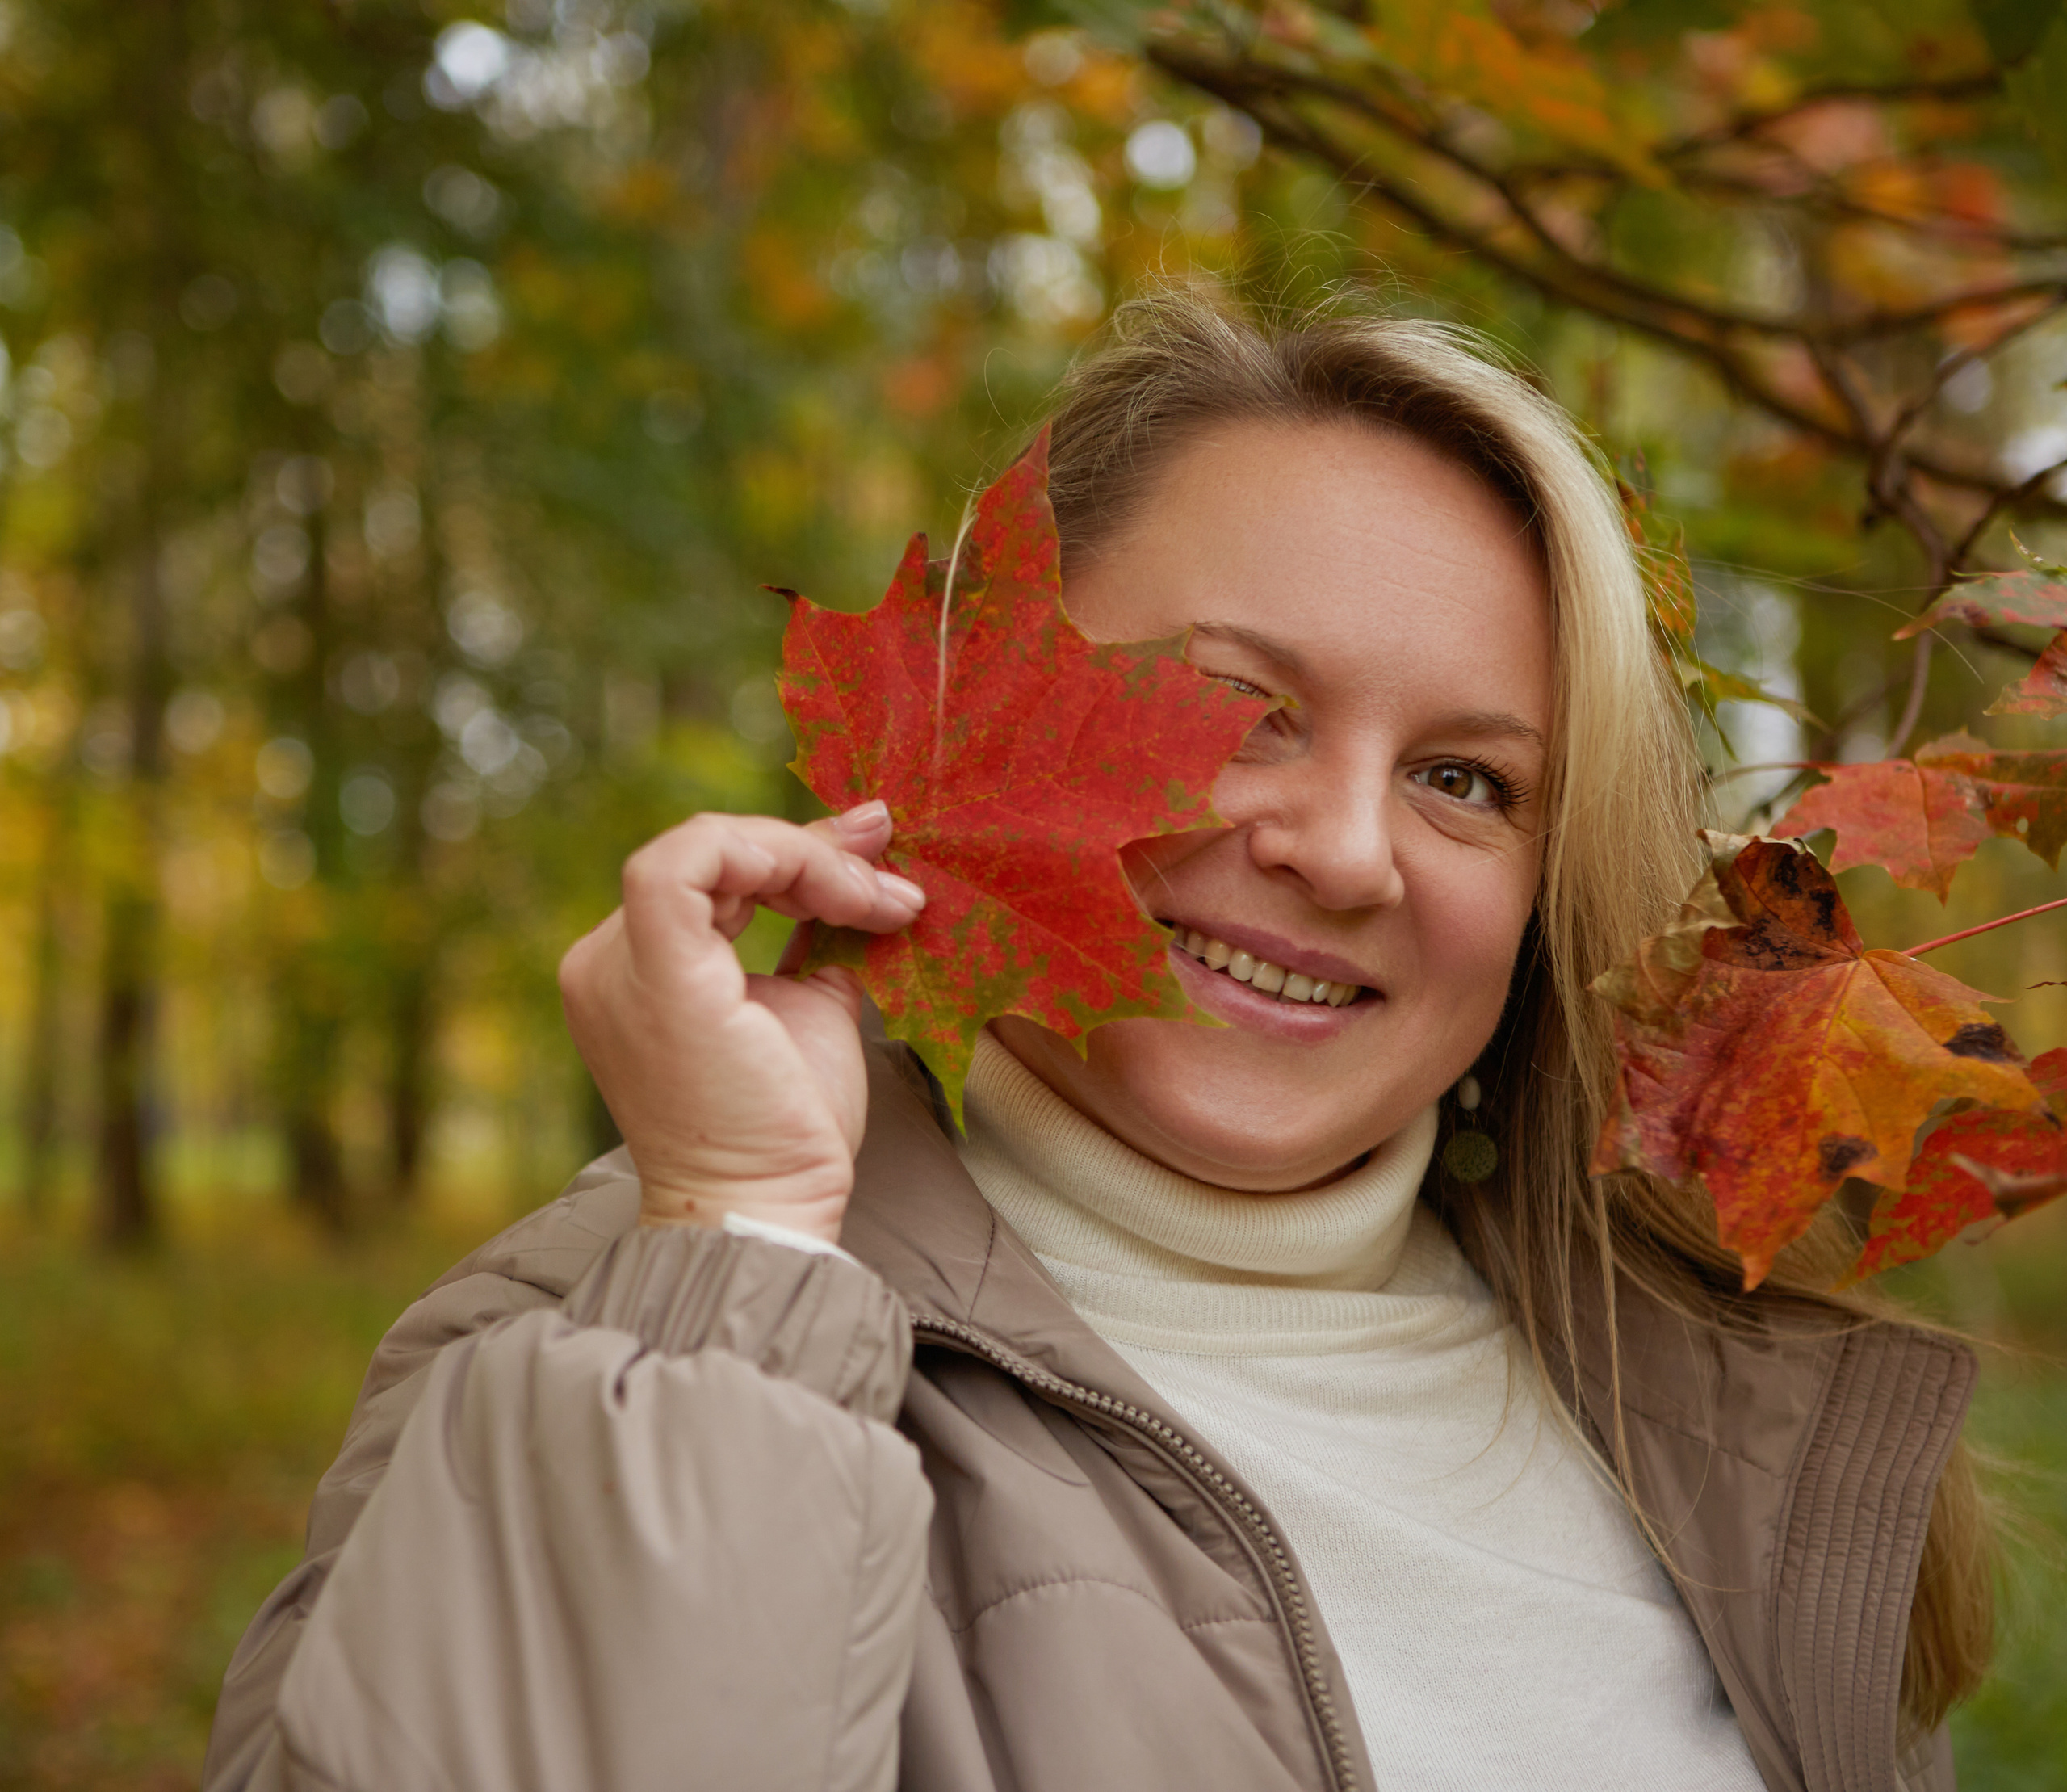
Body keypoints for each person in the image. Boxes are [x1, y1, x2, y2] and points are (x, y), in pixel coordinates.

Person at [202, 292, 1993, 1792]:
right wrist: (735, 1238)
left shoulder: (1711, 1410)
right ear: (983, 722)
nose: (1345, 849)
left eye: (1464, 780)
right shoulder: (619, 1339)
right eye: (1236, 708)